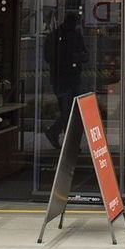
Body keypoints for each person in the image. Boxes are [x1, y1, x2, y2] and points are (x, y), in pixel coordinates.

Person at [43, 12, 88, 148]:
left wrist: (75, 57)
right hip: (63, 79)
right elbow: (49, 57)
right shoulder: (59, 36)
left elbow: (85, 55)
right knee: (68, 111)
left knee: (69, 111)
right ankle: (69, 142)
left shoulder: (66, 35)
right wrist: (72, 57)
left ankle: (56, 133)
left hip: (67, 78)